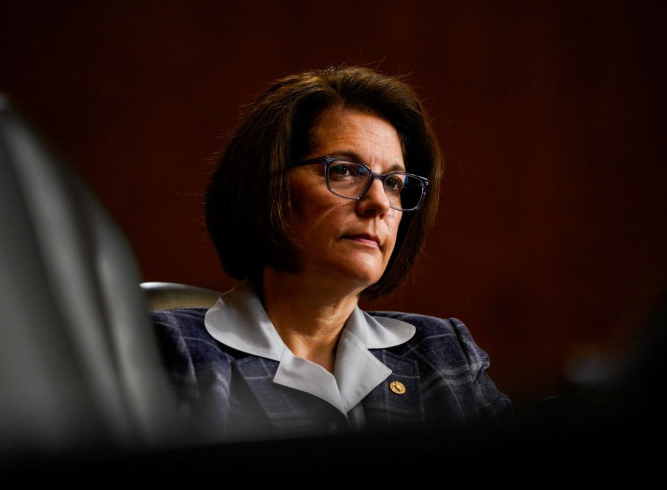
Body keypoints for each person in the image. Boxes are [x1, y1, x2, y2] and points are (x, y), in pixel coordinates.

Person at [151, 65, 512, 444]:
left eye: (393, 183)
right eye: (344, 170)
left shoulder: (444, 354)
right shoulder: (178, 351)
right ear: (267, 186)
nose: (378, 203)